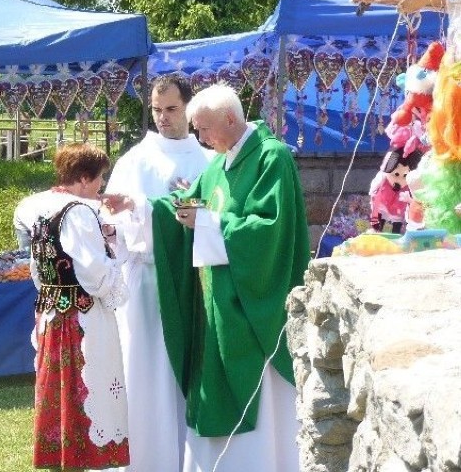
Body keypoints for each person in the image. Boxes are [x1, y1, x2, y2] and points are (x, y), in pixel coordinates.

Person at [105, 83, 309, 472]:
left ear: (231, 119)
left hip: (254, 301)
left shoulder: (272, 157)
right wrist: (139, 205)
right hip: (218, 301)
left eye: (204, 129)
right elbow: (185, 207)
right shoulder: (218, 163)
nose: (200, 138)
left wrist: (210, 222)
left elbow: (269, 230)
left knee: (259, 403)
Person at [103, 73, 212, 472]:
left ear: (188, 107)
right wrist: (131, 212)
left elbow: (216, 215)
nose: (162, 118)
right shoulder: (135, 160)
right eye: (156, 110)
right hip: (149, 282)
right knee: (148, 376)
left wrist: (148, 207)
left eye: (171, 109)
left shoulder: (209, 159)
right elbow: (113, 222)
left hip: (196, 282)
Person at [16, 143, 129, 471]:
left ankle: (64, 458)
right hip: (80, 319)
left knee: (62, 395)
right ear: (82, 178)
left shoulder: (38, 206)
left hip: (53, 313)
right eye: (99, 179)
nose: (101, 187)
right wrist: (115, 262)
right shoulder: (78, 212)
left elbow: (38, 267)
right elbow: (93, 273)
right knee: (85, 392)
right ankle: (78, 459)